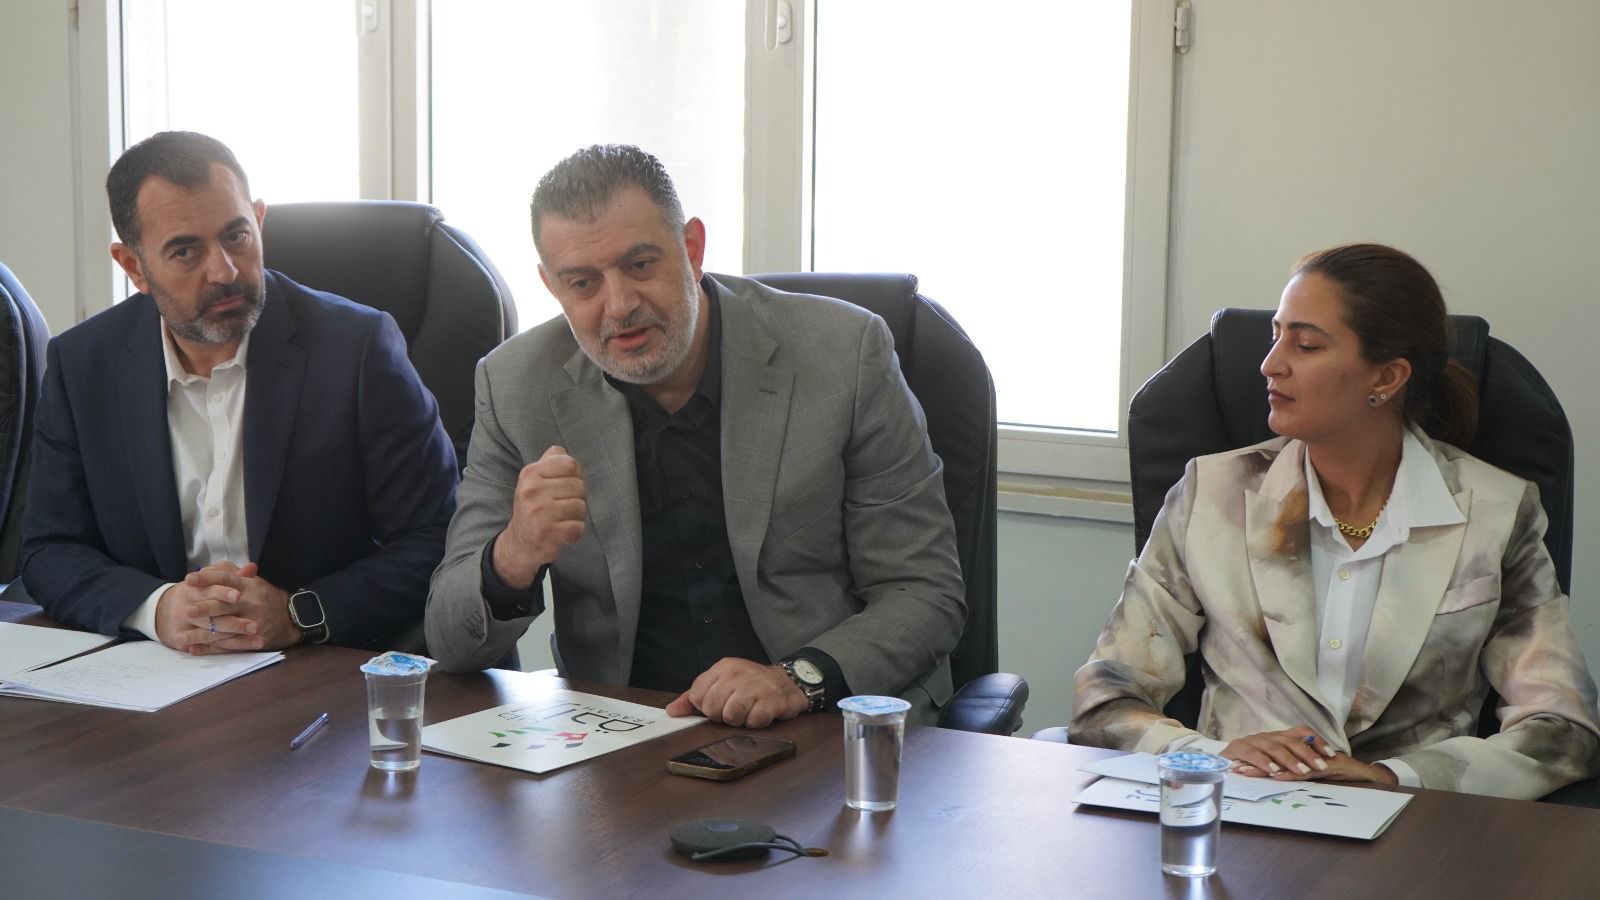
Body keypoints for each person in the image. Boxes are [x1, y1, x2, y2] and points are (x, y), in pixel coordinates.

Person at [425, 144, 964, 728]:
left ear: (692, 249)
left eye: (640, 265)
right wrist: (514, 553)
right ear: (552, 287)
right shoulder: (514, 386)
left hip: (824, 719)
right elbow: (450, 640)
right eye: (583, 283)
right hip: (625, 733)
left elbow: (924, 592)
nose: (619, 306)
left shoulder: (844, 353)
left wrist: (798, 678)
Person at [1072, 243, 1600, 799]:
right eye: (1275, 336)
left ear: (1387, 377)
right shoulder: (1212, 493)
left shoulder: (1496, 512)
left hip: (1413, 822)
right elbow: (1106, 696)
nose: (1270, 364)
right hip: (1239, 809)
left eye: (1305, 345)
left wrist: (1395, 776)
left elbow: (1564, 727)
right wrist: (1213, 755)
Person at [18, 131, 458, 653]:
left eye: (236, 236)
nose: (224, 271)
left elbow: (437, 538)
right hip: (156, 671)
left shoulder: (357, 349)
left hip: (322, 664)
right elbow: (49, 548)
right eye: (186, 251)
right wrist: (156, 607)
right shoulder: (83, 366)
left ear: (259, 220)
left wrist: (297, 613)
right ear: (133, 266)